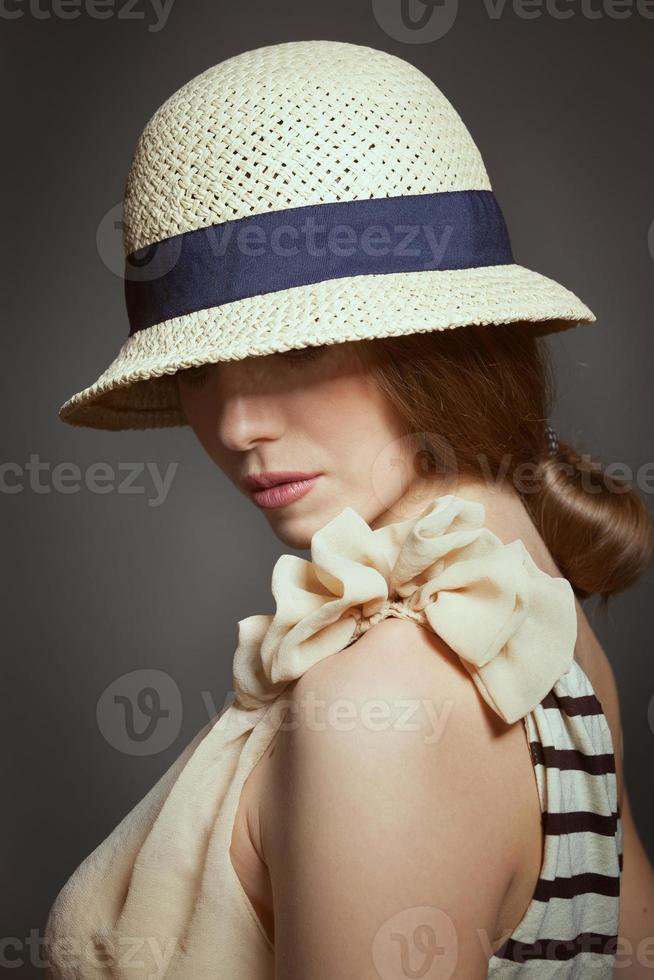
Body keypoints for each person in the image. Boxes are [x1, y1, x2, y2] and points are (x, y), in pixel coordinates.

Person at [45, 39, 654, 980]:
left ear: (435, 341)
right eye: (199, 371)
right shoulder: (538, 628)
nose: (238, 424)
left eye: (293, 352)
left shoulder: (383, 702)